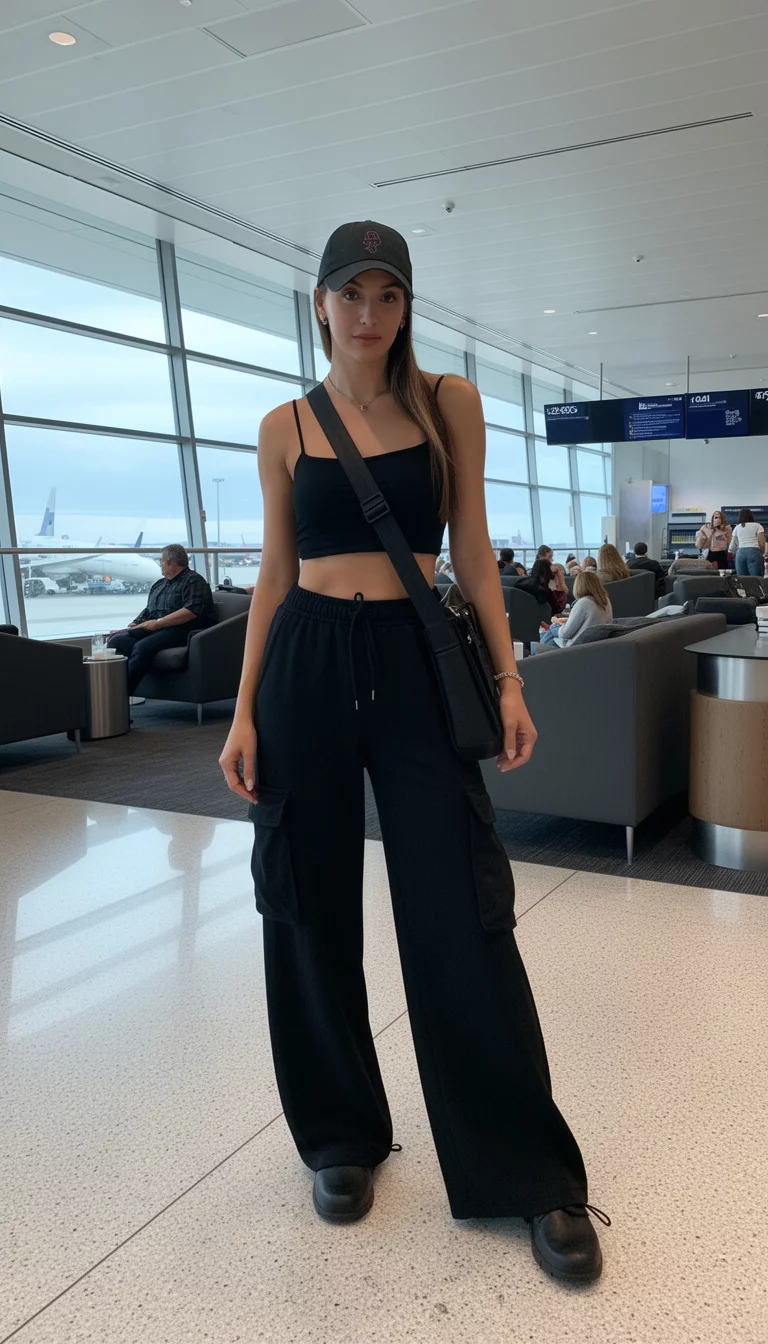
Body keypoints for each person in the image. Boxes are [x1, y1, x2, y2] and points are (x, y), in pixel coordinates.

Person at [218, 220, 606, 1284]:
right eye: (352, 294)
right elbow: (274, 573)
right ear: (321, 303)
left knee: (460, 908)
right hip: (304, 660)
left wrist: (510, 680)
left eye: (388, 295)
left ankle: (526, 1170)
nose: (370, 314)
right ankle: (339, 1134)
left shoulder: (449, 403)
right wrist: (244, 711)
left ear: (405, 306)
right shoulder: (285, 425)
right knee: (305, 899)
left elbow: (471, 548)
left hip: (414, 656)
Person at [108, 544, 216, 696]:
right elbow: (149, 609)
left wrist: (158, 623)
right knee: (117, 641)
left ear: (171, 562)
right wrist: (136, 623)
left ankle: (120, 695)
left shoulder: (194, 581)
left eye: (161, 561)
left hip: (183, 629)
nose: (160, 564)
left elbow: (191, 611)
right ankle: (111, 688)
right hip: (158, 628)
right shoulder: (160, 584)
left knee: (142, 647)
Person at [541, 571, 613, 647]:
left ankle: (537, 651)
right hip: (596, 643)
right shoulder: (605, 600)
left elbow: (564, 634)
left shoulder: (584, 603)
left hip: (576, 646)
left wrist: (555, 625)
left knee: (550, 631)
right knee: (548, 633)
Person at [731, 508, 766, 577]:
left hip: (740, 553)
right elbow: (762, 543)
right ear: (751, 516)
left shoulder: (737, 527)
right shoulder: (758, 526)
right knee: (756, 579)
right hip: (754, 552)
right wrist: (762, 552)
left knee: (742, 579)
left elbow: (733, 544)